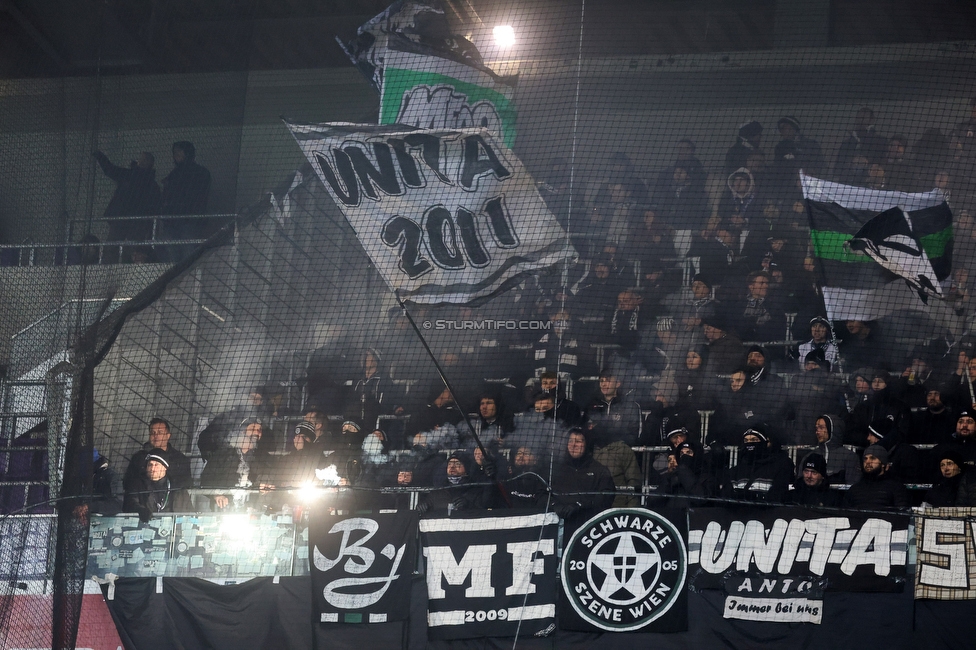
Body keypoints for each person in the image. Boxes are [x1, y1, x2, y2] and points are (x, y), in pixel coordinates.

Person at [92, 150, 161, 252]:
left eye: (145, 159)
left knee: (132, 247)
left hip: (136, 220)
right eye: (141, 159)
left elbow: (155, 206)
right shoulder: (129, 175)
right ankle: (108, 265)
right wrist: (99, 156)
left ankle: (131, 264)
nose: (142, 161)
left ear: (150, 163)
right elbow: (110, 169)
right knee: (113, 245)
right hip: (122, 218)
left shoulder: (147, 183)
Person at [550, 429, 615, 531]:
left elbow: (606, 496)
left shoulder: (599, 470)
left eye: (578, 441)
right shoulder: (555, 469)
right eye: (570, 441)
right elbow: (541, 493)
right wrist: (554, 505)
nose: (573, 445)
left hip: (589, 527)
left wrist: (581, 505)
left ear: (586, 445)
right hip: (557, 526)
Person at [199, 417, 270, 510]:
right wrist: (216, 494)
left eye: (259, 430)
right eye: (252, 429)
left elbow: (266, 479)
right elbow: (205, 480)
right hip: (223, 511)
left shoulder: (262, 458)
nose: (257, 432)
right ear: (242, 431)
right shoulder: (222, 454)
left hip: (251, 512)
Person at [159, 141, 212, 252]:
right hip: (171, 220)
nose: (176, 155)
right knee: (170, 250)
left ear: (187, 153)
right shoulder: (173, 174)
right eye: (174, 152)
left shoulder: (200, 173)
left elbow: (200, 197)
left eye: (179, 152)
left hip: (190, 220)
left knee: (187, 250)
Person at [723, 427, 793, 504]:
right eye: (746, 440)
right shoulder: (734, 471)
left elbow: (778, 496)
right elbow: (725, 498)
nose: (749, 443)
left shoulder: (780, 466)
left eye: (754, 440)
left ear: (767, 443)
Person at [123, 418, 192, 495]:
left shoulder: (179, 459)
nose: (156, 436)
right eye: (153, 433)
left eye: (160, 432)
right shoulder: (138, 458)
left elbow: (185, 484)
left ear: (168, 436)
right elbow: (128, 482)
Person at [123, 449, 193, 520]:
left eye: (156, 465)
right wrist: (140, 511)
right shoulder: (136, 485)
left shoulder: (178, 489)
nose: (152, 468)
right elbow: (130, 503)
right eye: (150, 465)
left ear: (165, 467)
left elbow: (190, 513)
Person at [843, 444, 910, 510]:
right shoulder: (854, 489)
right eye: (865, 459)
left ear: (883, 464)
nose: (868, 462)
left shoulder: (896, 488)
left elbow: (901, 514)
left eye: (873, 458)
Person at [585, 369, 642, 446]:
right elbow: (585, 431)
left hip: (621, 452)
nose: (603, 384)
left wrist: (607, 436)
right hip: (596, 452)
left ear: (618, 384)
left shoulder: (630, 406)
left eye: (608, 381)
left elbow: (634, 436)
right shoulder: (592, 405)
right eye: (601, 381)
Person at [804, 414, 862, 485]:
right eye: (816, 428)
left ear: (833, 430)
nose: (817, 432)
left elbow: (853, 486)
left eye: (821, 428)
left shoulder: (849, 457)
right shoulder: (810, 457)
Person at [659, 441, 715, 507]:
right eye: (681, 453)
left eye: (689, 452)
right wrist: (669, 484)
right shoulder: (673, 475)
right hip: (671, 515)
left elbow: (701, 498)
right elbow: (654, 500)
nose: (684, 456)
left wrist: (684, 472)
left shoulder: (707, 477)